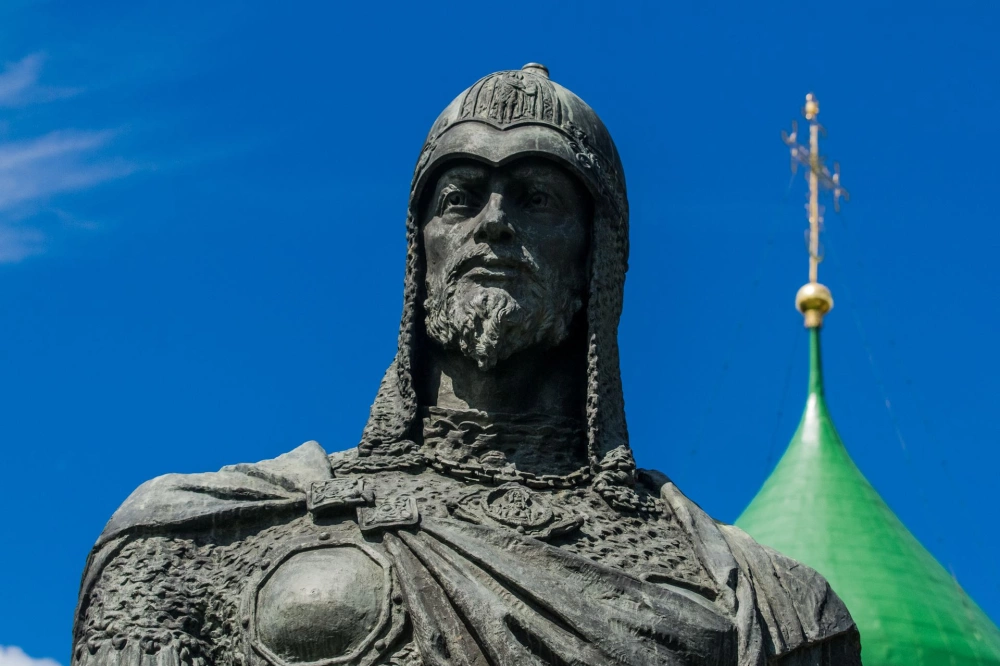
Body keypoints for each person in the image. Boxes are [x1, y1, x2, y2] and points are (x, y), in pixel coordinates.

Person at [72, 63, 862, 666]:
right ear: (420, 253)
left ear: (596, 262)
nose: (494, 223)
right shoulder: (194, 538)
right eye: (460, 196)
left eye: (537, 197)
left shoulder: (769, 607)